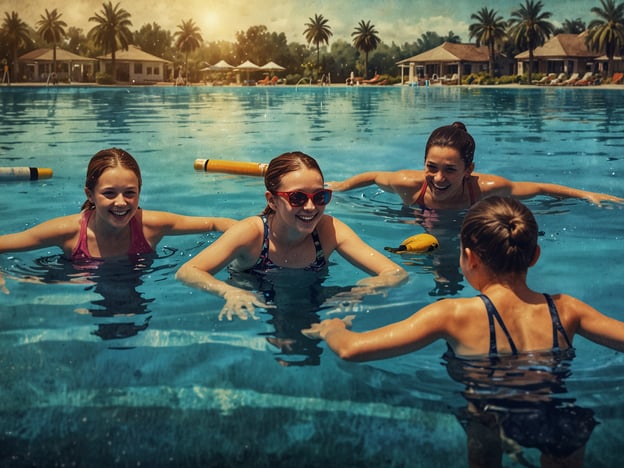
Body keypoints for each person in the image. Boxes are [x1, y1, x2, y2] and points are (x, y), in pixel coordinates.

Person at [303, 196, 624, 467]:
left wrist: (333, 329)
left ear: (468, 258)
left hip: (489, 415)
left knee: (480, 418)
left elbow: (352, 350)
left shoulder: (454, 314)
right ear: (535, 256)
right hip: (557, 418)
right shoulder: (566, 309)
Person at [176, 151, 408, 321]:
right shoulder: (252, 232)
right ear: (272, 200)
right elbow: (187, 271)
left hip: (311, 298)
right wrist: (228, 291)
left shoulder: (329, 230)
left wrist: (361, 291)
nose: (310, 207)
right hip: (253, 300)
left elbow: (396, 273)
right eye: (297, 198)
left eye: (320, 197)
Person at [0, 147, 236, 293]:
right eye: (109, 193)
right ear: (89, 194)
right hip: (78, 283)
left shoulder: (150, 225)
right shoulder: (67, 231)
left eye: (130, 193)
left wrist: (256, 238)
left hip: (137, 289)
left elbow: (217, 223)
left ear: (140, 192)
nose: (121, 202)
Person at [328, 121, 623, 209]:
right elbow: (374, 176)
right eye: (431, 167)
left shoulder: (485, 189)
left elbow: (541, 188)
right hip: (414, 219)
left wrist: (587, 195)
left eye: (450, 169)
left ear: (469, 170)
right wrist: (340, 186)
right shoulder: (409, 184)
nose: (438, 177)